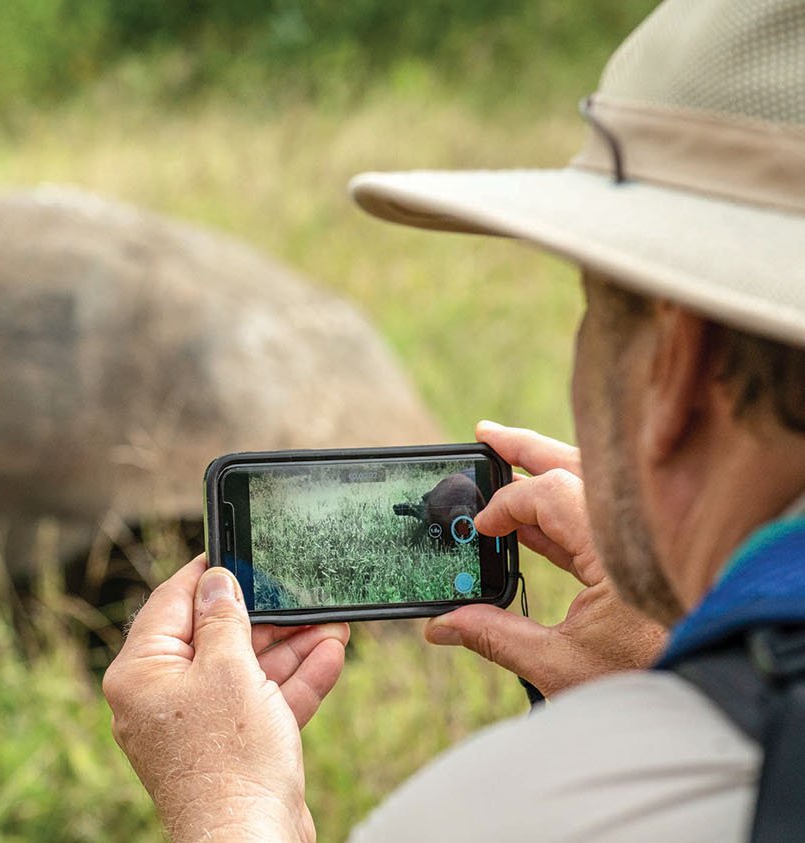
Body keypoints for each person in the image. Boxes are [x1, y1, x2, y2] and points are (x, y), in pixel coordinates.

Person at [101, 0, 805, 840]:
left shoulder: (519, 815)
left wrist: (228, 806)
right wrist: (692, 643)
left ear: (672, 365)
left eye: (593, 312)